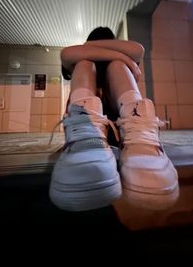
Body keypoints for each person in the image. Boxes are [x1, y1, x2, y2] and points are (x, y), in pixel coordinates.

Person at [49, 26, 179, 211]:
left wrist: (113, 57)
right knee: (85, 63)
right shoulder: (85, 62)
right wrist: (124, 57)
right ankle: (89, 136)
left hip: (125, 130)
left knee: (115, 66)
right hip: (86, 129)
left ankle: (140, 140)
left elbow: (138, 49)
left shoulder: (112, 65)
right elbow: (68, 53)